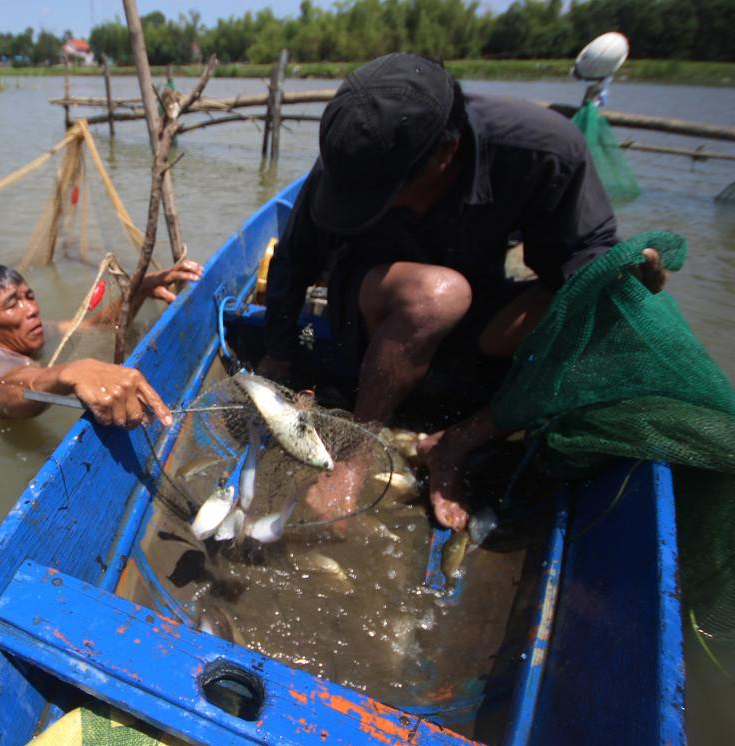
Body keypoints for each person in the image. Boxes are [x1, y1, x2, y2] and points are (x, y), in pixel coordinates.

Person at [261, 53, 667, 530]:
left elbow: (579, 259)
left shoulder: (541, 151)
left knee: (597, 302)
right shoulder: (357, 154)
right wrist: (278, 355)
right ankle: (357, 452)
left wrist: (621, 276)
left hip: (482, 311)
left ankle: (454, 441)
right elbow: (294, 259)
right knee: (439, 294)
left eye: (384, 196)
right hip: (378, 309)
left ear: (444, 154)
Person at [0, 258, 203, 427]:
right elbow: (3, 392)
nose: (31, 309)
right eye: (12, 304)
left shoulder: (37, 333)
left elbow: (97, 327)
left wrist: (140, 289)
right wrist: (69, 372)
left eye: (29, 297)